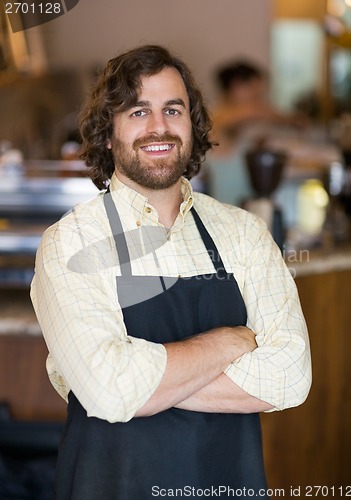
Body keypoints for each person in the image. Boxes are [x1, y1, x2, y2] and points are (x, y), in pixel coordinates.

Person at [30, 45, 311, 499]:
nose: (159, 127)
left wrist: (141, 386)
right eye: (138, 111)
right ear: (107, 134)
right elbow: (108, 389)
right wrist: (230, 341)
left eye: (172, 109)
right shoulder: (72, 242)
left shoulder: (243, 233)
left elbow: (290, 378)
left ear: (192, 125)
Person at [203, 60, 306, 206]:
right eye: (255, 93)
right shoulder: (219, 118)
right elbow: (253, 111)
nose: (259, 99)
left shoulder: (234, 121)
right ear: (237, 87)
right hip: (224, 210)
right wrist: (291, 120)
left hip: (239, 208)